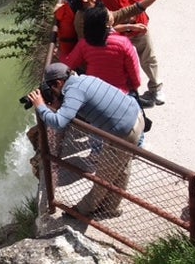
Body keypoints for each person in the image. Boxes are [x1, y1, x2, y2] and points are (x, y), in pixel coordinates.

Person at [27, 62, 144, 217]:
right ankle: (109, 209)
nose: (53, 91)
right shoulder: (84, 79)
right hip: (136, 117)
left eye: (52, 87)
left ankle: (81, 211)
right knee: (120, 170)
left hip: (124, 133)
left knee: (103, 178)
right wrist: (58, 103)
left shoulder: (73, 91)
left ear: (59, 83)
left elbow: (59, 123)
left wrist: (40, 106)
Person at [97, 0, 165, 107]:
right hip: (116, 30)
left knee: (148, 58)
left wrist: (131, 22)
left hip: (137, 25)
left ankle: (156, 88)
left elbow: (140, 3)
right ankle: (123, 95)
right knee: (118, 65)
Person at [61, 5, 141, 94]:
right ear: (107, 24)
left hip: (94, 92)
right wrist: (134, 85)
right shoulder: (123, 43)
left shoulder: (84, 44)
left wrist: (60, 55)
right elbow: (133, 69)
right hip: (119, 92)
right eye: (109, 13)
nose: (111, 12)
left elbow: (69, 64)